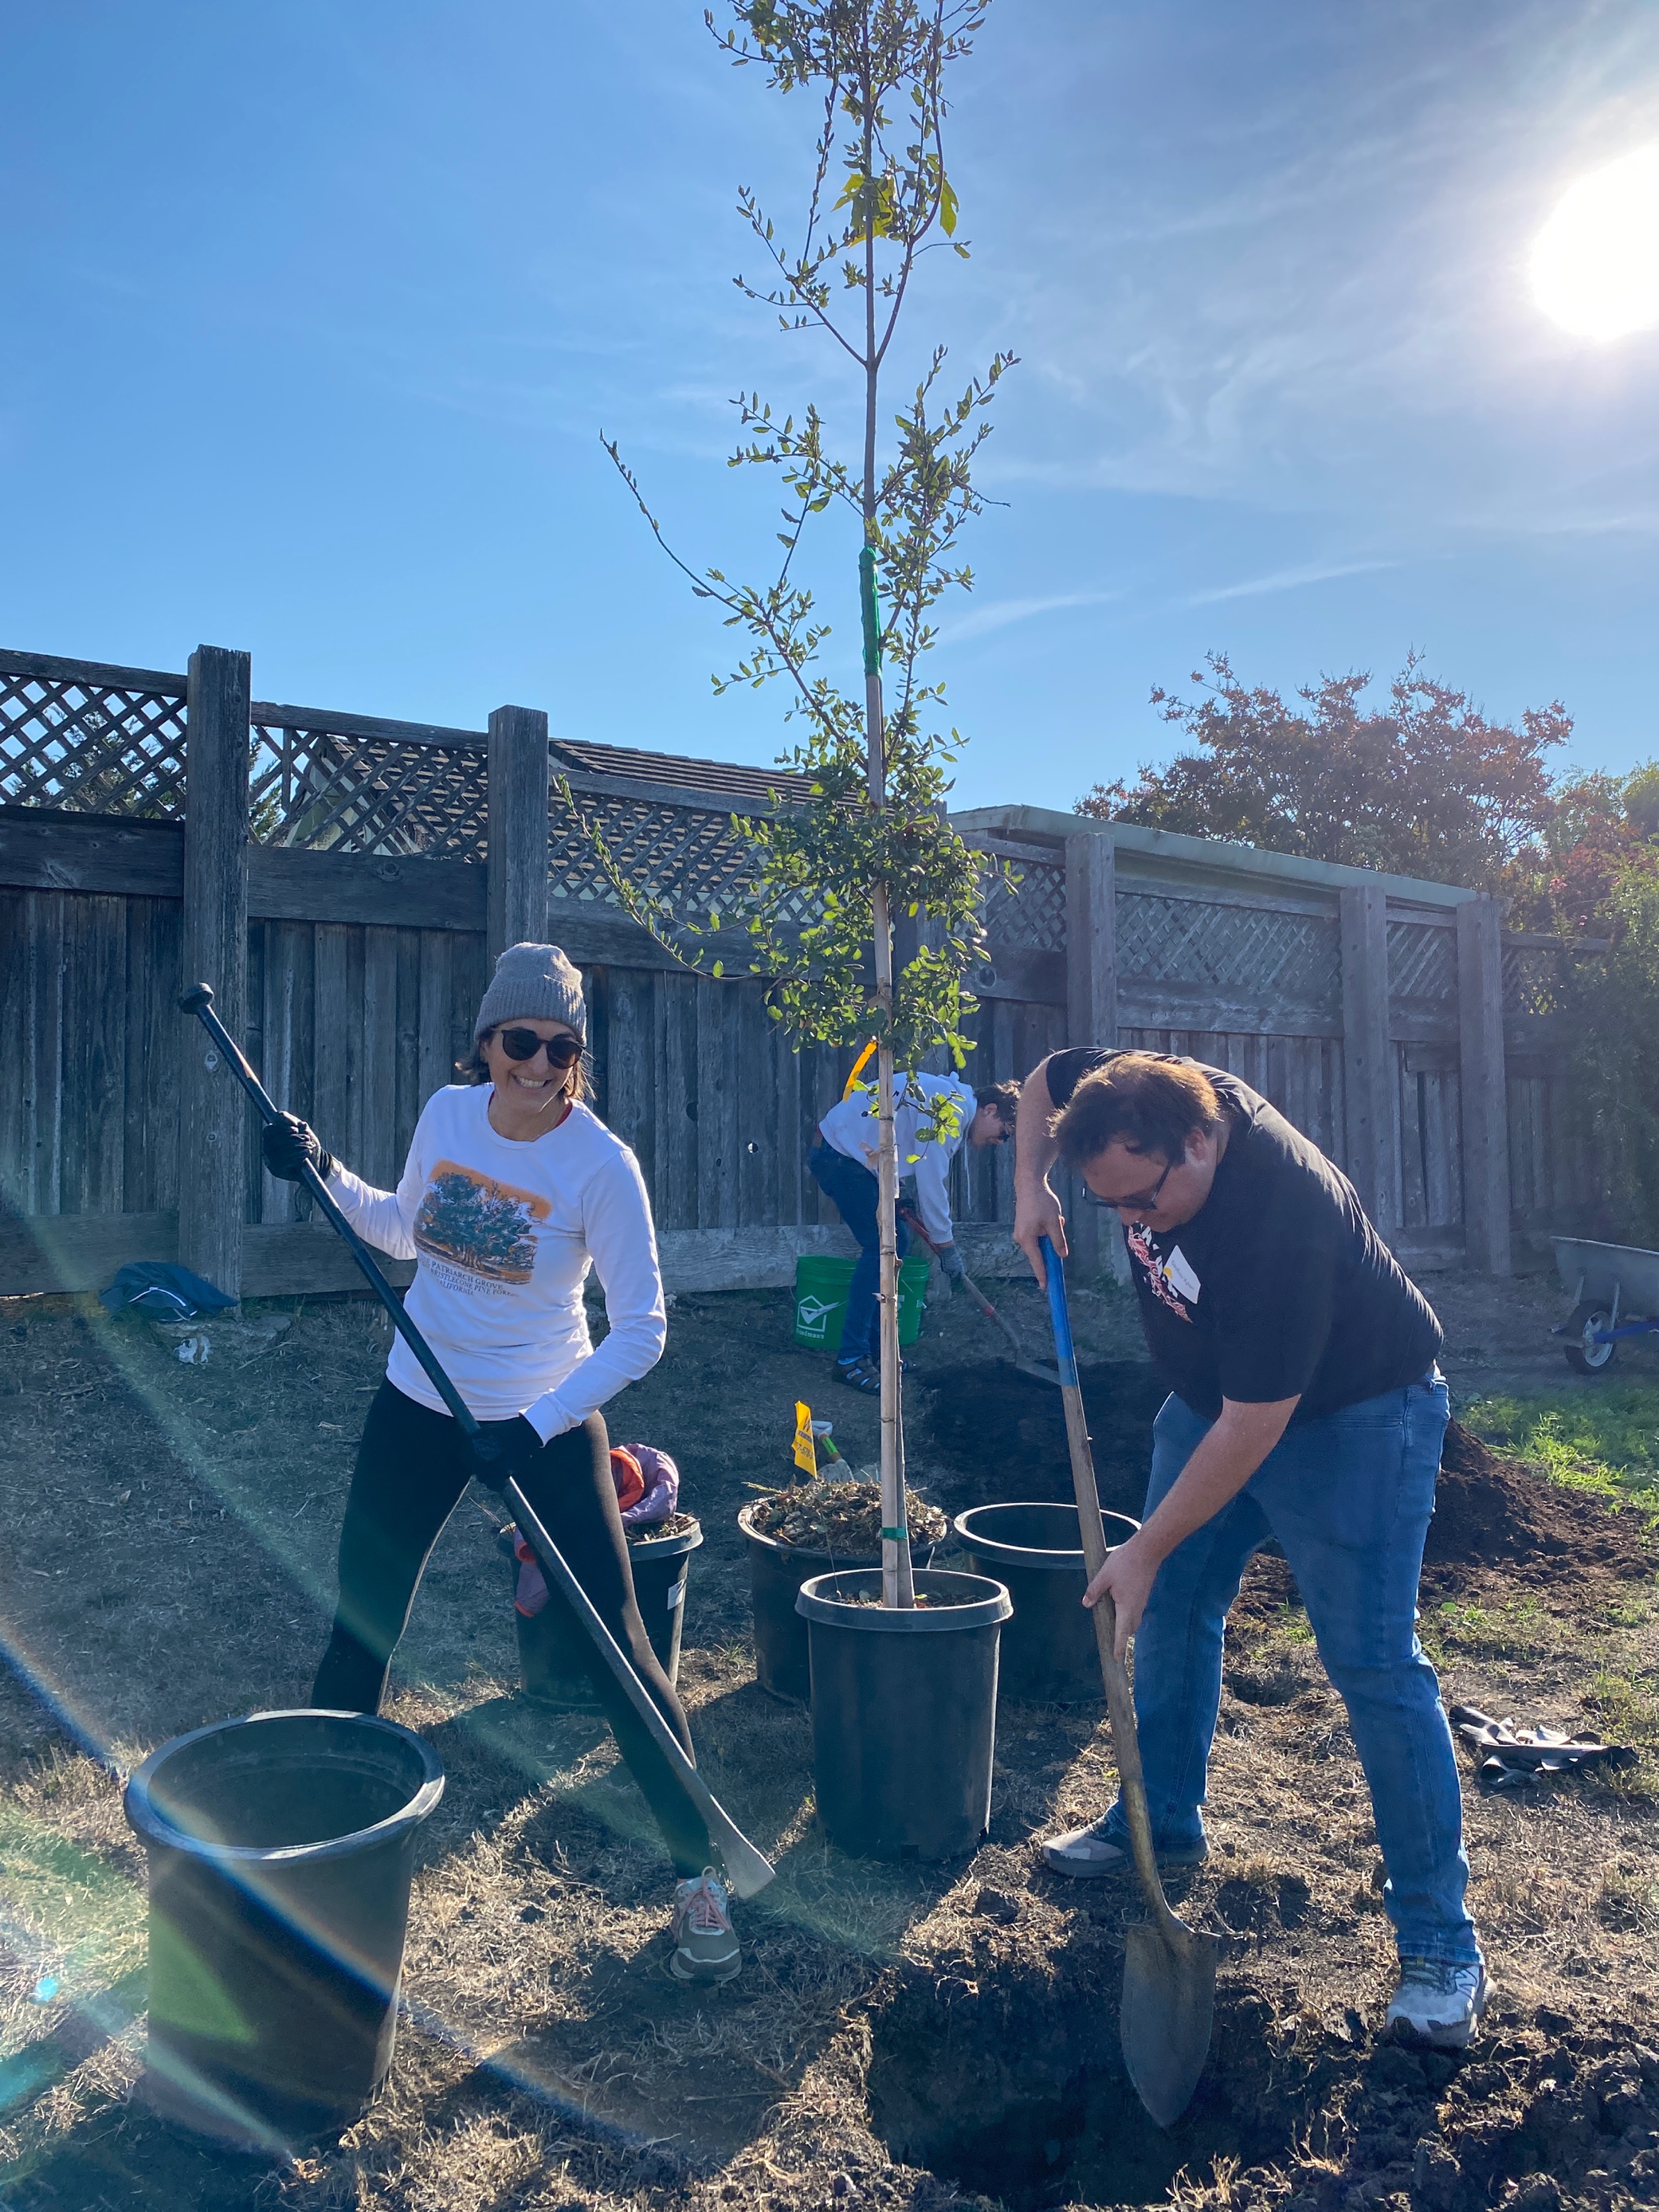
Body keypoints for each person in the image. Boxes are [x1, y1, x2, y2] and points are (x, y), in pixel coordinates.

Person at [262, 943, 739, 1986]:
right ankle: (319, 1839)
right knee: (363, 1613)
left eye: (560, 1048)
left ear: (577, 1058)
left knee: (616, 1645)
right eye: (520, 1041)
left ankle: (696, 1870)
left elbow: (643, 1330)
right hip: (419, 1401)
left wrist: (535, 1425)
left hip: (546, 1419)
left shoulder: (599, 1166)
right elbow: (399, 1232)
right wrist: (320, 1171)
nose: (538, 1064)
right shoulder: (446, 1114)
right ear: (487, 1041)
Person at [1013, 1048, 1486, 2050]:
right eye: (1115, 1207)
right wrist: (1031, 1188)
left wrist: (1144, 1548)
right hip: (1213, 1399)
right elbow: (1048, 1080)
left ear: (1202, 1141)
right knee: (1176, 1607)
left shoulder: (1282, 1216)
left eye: (1146, 1199)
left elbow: (1254, 1427)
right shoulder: (1135, 1092)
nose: (1137, 1222)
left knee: (1370, 1661)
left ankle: (1441, 1948)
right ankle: (1165, 1822)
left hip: (1355, 1416)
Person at [809, 1073, 1018, 1391]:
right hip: (839, 1156)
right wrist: (946, 1246)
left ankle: (881, 1354)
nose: (1000, 1143)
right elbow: (932, 1181)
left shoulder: (950, 1100)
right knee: (880, 1248)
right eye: (1004, 1133)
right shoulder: (950, 1109)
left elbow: (896, 1141)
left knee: (893, 1246)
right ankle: (851, 1360)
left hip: (853, 1157)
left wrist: (896, 1189)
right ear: (990, 1109)